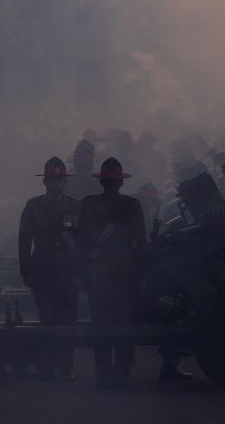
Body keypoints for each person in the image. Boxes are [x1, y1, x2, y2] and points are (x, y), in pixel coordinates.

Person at [77, 157, 147, 390]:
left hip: (98, 272)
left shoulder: (88, 205)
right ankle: (122, 371)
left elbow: (81, 242)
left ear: (102, 182)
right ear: (120, 183)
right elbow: (141, 244)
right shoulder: (133, 206)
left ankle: (103, 373)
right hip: (125, 272)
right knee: (123, 325)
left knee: (101, 325)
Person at [18, 157, 80, 381]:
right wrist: (26, 271)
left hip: (68, 270)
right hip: (43, 270)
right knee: (48, 319)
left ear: (65, 182)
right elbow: (24, 241)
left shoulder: (76, 207)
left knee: (68, 321)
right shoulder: (33, 206)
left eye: (59, 179)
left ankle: (66, 366)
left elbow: (83, 241)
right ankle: (48, 365)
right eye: (52, 180)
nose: (56, 183)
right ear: (45, 182)